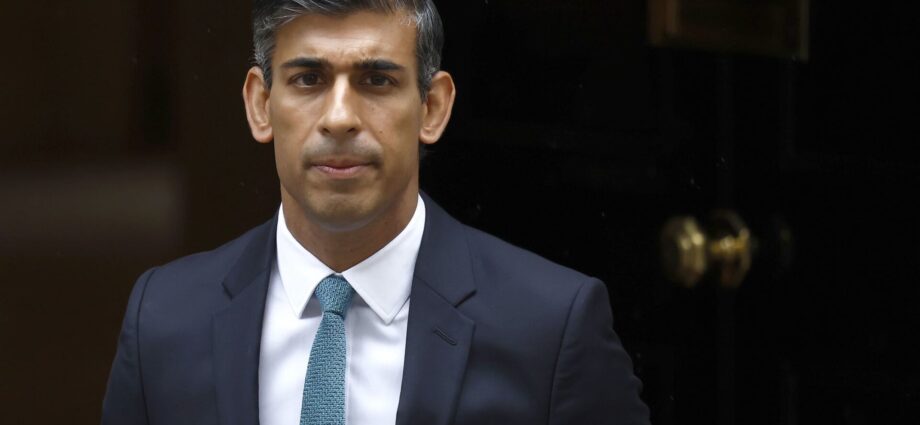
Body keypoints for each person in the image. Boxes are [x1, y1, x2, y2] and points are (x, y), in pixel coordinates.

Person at [102, 1, 650, 424]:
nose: (340, 117)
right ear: (260, 104)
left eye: (377, 80)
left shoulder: (550, 328)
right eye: (308, 79)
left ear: (432, 107)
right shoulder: (164, 321)